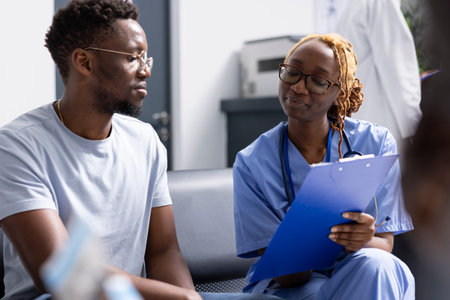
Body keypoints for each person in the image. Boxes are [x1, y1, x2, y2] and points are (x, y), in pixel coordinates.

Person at [0, 1, 283, 300]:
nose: (145, 71)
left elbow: (163, 253)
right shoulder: (18, 146)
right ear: (84, 62)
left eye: (146, 58)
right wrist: (182, 298)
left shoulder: (144, 140)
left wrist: (189, 299)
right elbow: (61, 272)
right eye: (133, 58)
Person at [233, 33, 415, 299]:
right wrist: (312, 236)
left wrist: (363, 239)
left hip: (358, 270)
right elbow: (287, 275)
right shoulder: (252, 163)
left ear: (338, 93)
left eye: (317, 81)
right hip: (293, 286)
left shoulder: (375, 143)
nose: (297, 87)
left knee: (378, 266)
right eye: (292, 72)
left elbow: (384, 244)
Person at [315, 0, 422, 152]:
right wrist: (414, 129)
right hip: (385, 129)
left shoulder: (351, 8)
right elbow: (398, 71)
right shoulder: (380, 3)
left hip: (357, 129)